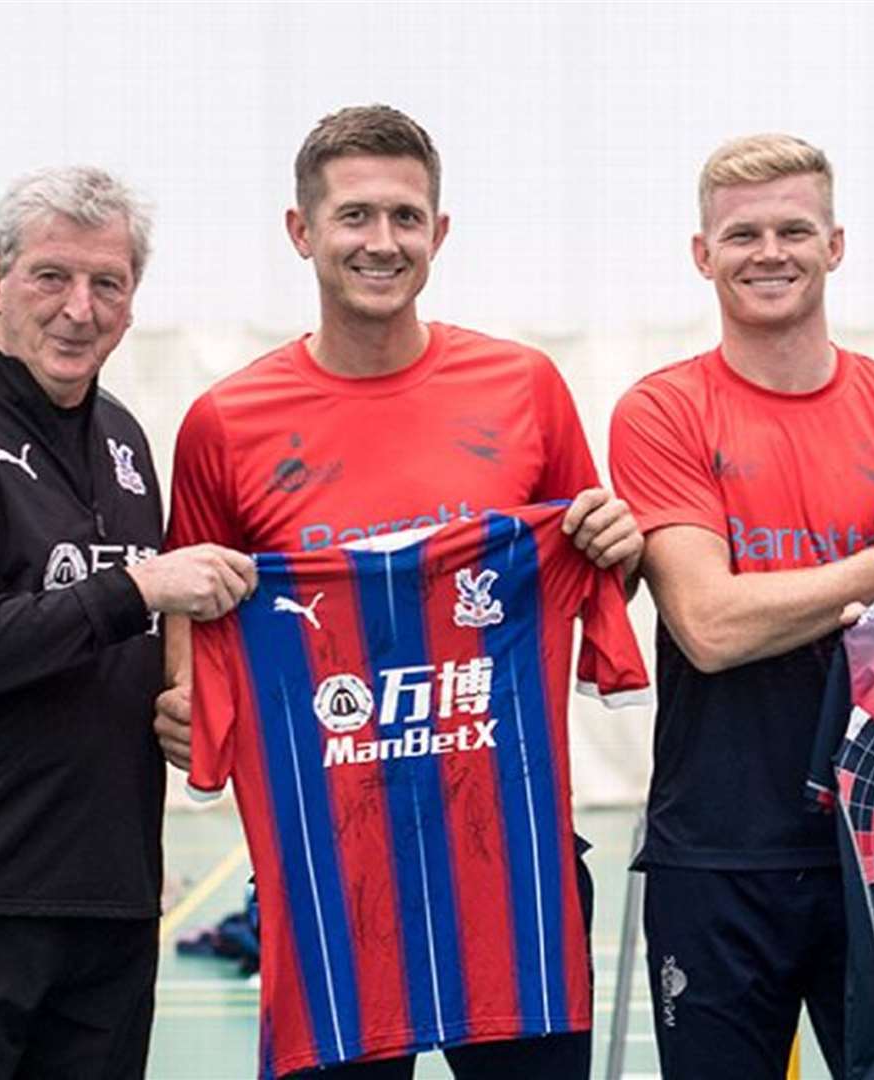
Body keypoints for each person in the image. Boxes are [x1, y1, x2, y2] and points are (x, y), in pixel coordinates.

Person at [154, 104, 640, 1079]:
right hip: (332, 881)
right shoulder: (225, 422)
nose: (382, 243)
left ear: (439, 232)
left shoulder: (523, 387)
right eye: (354, 217)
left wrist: (616, 546)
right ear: (302, 232)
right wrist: (190, 703)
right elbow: (191, 617)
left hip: (514, 873)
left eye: (406, 218)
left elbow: (589, 565)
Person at [0, 166, 257, 1077]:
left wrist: (188, 703)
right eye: (51, 276)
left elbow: (133, 641)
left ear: (133, 300)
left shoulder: (124, 439)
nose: (80, 307)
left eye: (107, 283)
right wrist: (142, 591)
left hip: (108, 903)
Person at [606, 134, 874, 1078]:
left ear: (836, 245)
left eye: (794, 229)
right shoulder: (663, 412)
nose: (768, 252)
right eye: (742, 234)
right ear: (703, 255)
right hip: (719, 850)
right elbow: (711, 626)